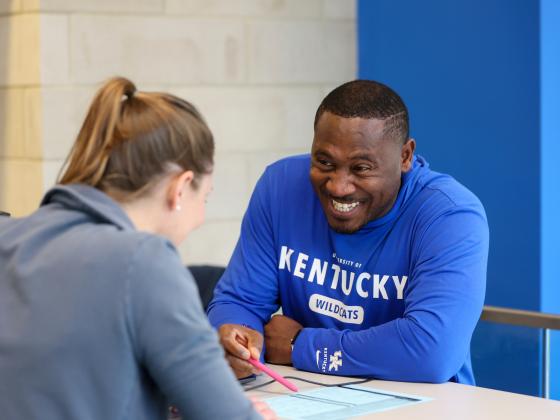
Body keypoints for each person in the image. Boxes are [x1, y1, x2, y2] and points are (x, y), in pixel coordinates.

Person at [0, 77, 274, 420]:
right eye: (205, 197)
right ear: (181, 187)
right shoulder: (144, 262)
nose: (201, 217)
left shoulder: (10, 235)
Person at [207, 79, 489, 385]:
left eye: (361, 168)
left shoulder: (449, 214)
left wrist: (300, 345)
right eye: (324, 162)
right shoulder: (280, 186)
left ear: (405, 157)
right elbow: (240, 302)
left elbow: (433, 351)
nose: (338, 186)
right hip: (307, 396)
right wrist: (239, 339)